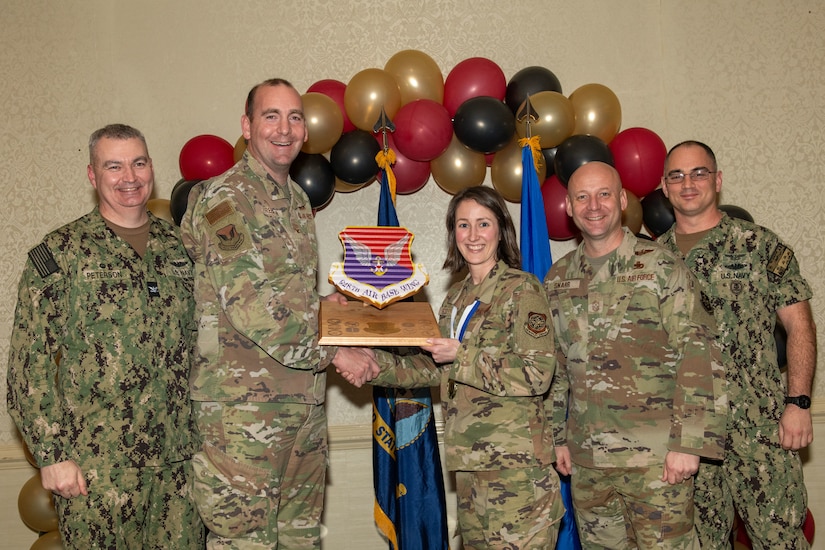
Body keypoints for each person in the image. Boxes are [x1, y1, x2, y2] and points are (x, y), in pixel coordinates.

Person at [179, 77, 378, 548]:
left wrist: (325, 309)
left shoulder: (296, 202)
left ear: (306, 131)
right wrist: (335, 353)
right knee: (245, 543)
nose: (284, 129)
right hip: (242, 415)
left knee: (299, 540)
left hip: (301, 406)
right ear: (247, 126)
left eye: (294, 117)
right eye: (271, 116)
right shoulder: (224, 199)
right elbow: (253, 309)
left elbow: (283, 297)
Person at [6, 124, 204, 548]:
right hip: (98, 468)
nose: (129, 177)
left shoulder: (182, 247)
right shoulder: (61, 252)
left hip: (180, 464)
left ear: (152, 168)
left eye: (138, 163)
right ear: (93, 175)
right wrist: (52, 454)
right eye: (113, 166)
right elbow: (29, 363)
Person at [361, 186, 564, 549]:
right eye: (463, 225)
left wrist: (462, 352)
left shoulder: (521, 289)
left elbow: (537, 373)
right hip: (471, 468)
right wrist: (372, 365)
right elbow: (435, 369)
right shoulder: (456, 296)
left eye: (483, 224)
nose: (473, 236)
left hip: (516, 473)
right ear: (452, 232)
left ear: (501, 230)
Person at [543, 161, 727, 549]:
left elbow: (699, 351)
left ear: (622, 201)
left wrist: (689, 443)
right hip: (588, 462)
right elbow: (556, 368)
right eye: (583, 197)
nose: (594, 206)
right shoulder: (558, 278)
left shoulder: (660, 266)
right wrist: (558, 438)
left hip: (657, 463)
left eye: (604, 194)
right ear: (569, 209)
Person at [659, 140, 816, 549]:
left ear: (718, 180)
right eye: (676, 175)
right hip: (689, 436)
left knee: (780, 540)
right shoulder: (651, 260)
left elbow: (800, 327)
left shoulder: (759, 244)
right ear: (663, 186)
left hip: (760, 428)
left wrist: (798, 403)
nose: (687, 183)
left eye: (699, 173)